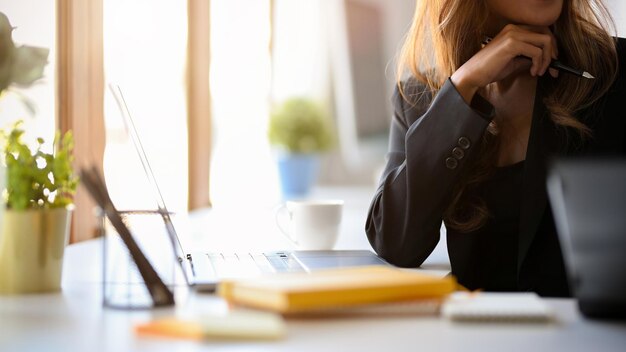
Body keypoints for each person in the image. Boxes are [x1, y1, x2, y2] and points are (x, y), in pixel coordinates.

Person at [366, 0, 625, 297]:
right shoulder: (421, 96)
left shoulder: (615, 71)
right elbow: (395, 243)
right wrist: (464, 86)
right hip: (478, 337)